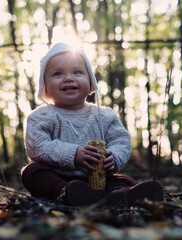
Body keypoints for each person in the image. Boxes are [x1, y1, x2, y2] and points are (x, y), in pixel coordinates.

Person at [21, 42, 163, 206]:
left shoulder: (104, 115)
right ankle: (67, 194)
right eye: (58, 74)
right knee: (31, 172)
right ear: (45, 88)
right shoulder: (41, 116)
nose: (69, 78)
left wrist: (114, 156)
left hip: (100, 179)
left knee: (123, 179)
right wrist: (74, 155)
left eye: (78, 72)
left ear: (91, 84)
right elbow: (37, 146)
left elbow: (121, 140)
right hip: (58, 176)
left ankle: (120, 196)